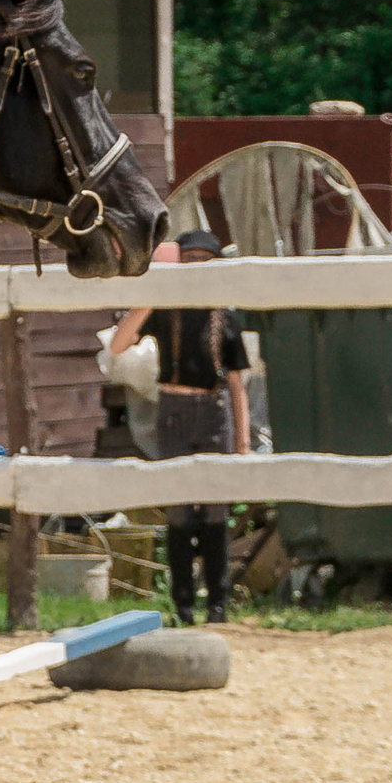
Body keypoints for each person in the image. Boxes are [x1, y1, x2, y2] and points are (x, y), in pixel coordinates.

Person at [106, 228, 252, 622]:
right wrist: (149, 300)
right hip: (173, 409)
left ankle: (218, 604)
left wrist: (242, 442)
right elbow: (118, 346)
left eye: (205, 261)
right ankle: (184, 604)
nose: (197, 268)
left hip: (213, 411)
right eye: (189, 260)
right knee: (179, 513)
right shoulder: (164, 309)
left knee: (215, 513)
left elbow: (237, 383)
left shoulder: (226, 316)